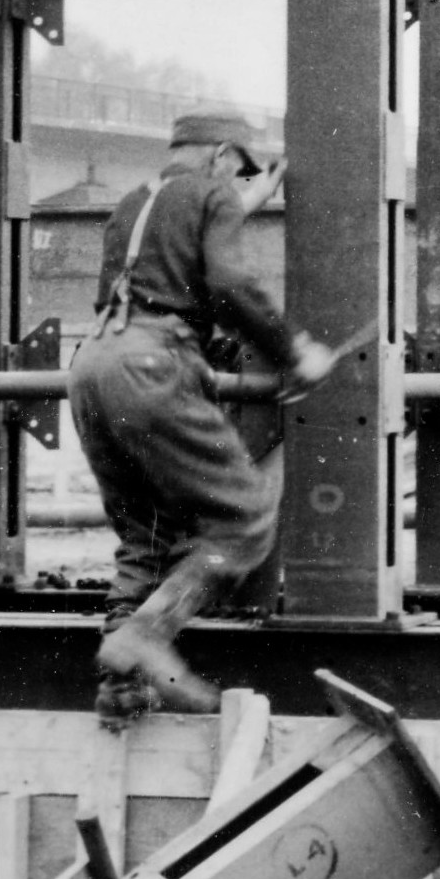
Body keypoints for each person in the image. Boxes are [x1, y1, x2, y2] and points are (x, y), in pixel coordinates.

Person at [67, 112, 337, 714]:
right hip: (152, 368)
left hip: (92, 364)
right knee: (246, 517)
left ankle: (121, 682)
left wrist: (241, 202)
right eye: (239, 170)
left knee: (144, 529)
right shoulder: (213, 195)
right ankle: (147, 635)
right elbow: (229, 285)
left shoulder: (134, 202)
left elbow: (170, 246)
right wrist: (295, 352)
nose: (238, 181)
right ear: (221, 156)